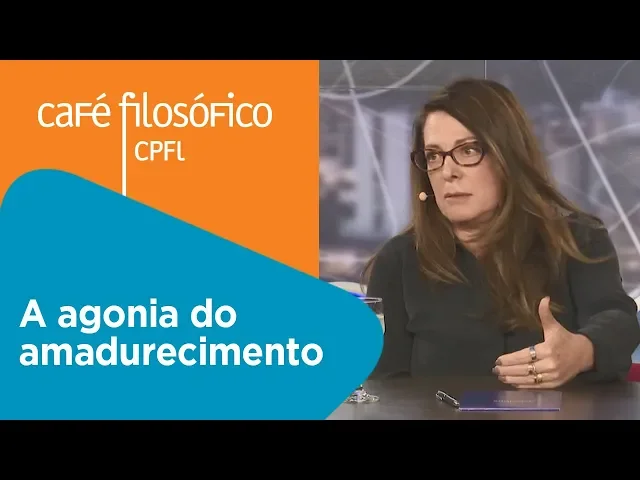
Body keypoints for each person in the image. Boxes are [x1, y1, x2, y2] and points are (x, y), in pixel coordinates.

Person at [364, 77, 640, 388]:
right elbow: (385, 386)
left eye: (468, 150)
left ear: (508, 157)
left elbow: (618, 321)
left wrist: (581, 352)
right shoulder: (399, 260)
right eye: (433, 156)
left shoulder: (578, 239)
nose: (448, 171)